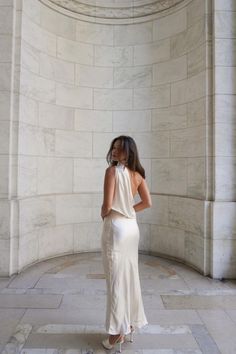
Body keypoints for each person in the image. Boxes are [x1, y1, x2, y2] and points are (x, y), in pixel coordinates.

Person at [101, 135, 152, 352]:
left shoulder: (111, 171)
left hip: (116, 228)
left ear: (128, 152)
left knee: (115, 282)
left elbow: (106, 205)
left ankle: (115, 334)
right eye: (113, 147)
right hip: (132, 228)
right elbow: (147, 203)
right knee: (130, 278)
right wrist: (129, 210)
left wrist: (106, 214)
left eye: (119, 148)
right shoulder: (138, 175)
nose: (114, 151)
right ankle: (129, 323)